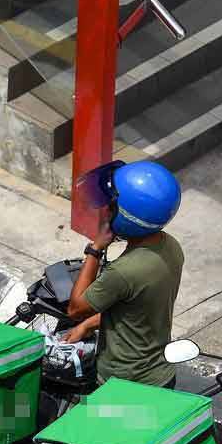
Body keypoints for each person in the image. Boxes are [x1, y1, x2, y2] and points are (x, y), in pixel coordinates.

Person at [64, 160, 184, 389]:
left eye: (111, 206)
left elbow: (76, 309)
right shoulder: (171, 247)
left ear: (127, 216)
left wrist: (95, 249)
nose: (106, 211)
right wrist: (87, 326)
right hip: (161, 375)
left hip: (122, 382)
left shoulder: (123, 272)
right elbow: (134, 311)